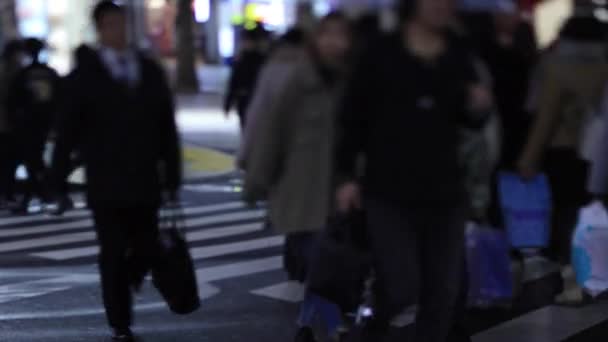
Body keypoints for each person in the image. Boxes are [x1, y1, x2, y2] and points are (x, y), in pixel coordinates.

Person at [335, 0, 492, 341]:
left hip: (445, 188)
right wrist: (346, 176)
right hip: (389, 189)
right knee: (401, 283)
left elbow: (466, 117)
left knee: (442, 292)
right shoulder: (381, 52)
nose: (441, 6)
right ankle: (370, 328)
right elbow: (352, 118)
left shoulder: (458, 53)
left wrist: (478, 107)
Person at [50, 2, 181, 341]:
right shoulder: (85, 76)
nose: (117, 31)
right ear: (99, 29)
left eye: (121, 24)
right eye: (110, 25)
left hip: (144, 179)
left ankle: (129, 279)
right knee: (112, 252)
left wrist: (172, 174)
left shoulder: (147, 70)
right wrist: (57, 179)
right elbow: (67, 132)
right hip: (106, 182)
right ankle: (120, 323)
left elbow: (166, 125)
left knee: (144, 246)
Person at [243, 13, 352, 342]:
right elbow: (272, 130)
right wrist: (256, 180)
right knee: (319, 261)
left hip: (341, 191)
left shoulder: (356, 81)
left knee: (326, 264)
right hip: (301, 190)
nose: (334, 42)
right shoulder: (298, 79)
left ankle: (308, 323)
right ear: (315, 40)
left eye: (341, 35)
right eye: (327, 34)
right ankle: (331, 325)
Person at [517, 16, 608, 267]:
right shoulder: (604, 67)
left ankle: (570, 268)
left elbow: (545, 117)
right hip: (598, 150)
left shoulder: (555, 67)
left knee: (565, 212)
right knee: (592, 210)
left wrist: (528, 158)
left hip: (562, 149)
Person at [237, 28, 306, 169]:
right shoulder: (317, 72)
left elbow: (256, 114)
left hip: (275, 145)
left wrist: (246, 153)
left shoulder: (273, 68)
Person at [7, 38, 60, 214]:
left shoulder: (23, 75)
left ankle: (45, 194)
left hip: (28, 124)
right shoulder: (50, 73)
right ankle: (44, 194)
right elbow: (60, 97)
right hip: (46, 122)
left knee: (33, 160)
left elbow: (13, 101)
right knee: (34, 160)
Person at [223, 29, 267, 130]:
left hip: (255, 99)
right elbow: (234, 83)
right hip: (244, 100)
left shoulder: (261, 60)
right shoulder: (241, 60)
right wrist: (228, 103)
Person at [0, 40, 24, 208]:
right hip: (7, 124)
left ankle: (7, 194)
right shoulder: (9, 71)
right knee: (9, 161)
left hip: (8, 124)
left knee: (9, 161)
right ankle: (6, 194)